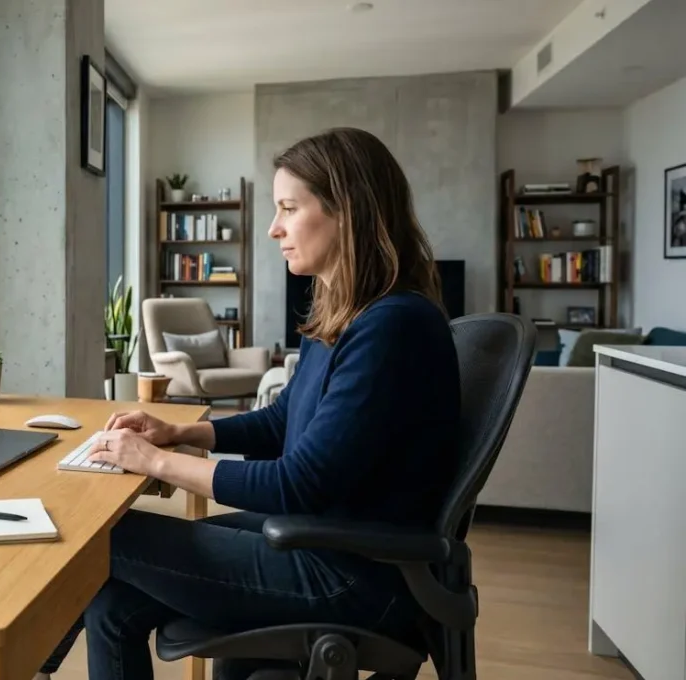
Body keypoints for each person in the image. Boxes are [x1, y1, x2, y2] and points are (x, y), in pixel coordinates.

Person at [35, 127, 462, 680]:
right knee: (111, 603)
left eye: (289, 208)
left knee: (103, 535)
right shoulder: (345, 314)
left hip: (356, 575)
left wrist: (155, 462)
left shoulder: (392, 327)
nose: (273, 228)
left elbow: (296, 483)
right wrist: (180, 433)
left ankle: (29, 663)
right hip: (324, 541)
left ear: (348, 212)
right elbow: (284, 421)